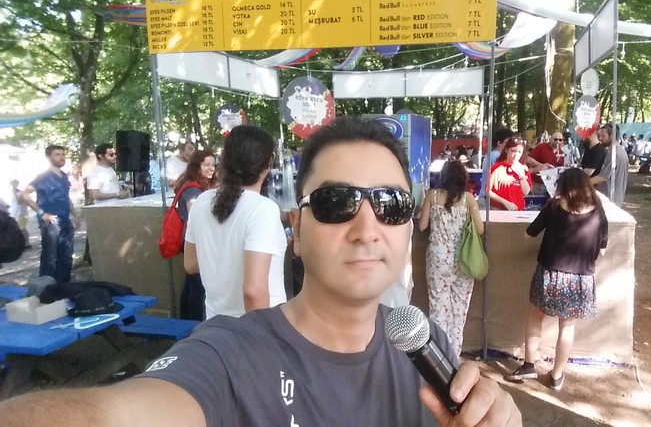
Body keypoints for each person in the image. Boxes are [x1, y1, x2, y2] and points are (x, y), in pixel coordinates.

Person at [0, 117, 522, 426]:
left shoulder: (426, 346)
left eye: (390, 204)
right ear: (297, 229)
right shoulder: (227, 355)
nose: (367, 228)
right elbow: (120, 415)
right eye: (337, 203)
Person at [506, 168, 608, 390]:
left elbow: (528, 233)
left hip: (550, 274)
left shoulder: (553, 206)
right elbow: (602, 250)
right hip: (581, 279)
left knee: (535, 318)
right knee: (567, 327)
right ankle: (556, 376)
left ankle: (529, 365)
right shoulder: (598, 211)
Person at [184, 126, 286, 319]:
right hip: (254, 329)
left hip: (215, 324)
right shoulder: (263, 209)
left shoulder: (202, 201)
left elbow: (191, 264)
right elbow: (254, 292)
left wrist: (222, 257)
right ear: (268, 163)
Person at [418, 160, 484, 357]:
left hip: (437, 260)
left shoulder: (432, 195)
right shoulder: (468, 199)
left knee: (438, 309)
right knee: (458, 311)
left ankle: (439, 356)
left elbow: (422, 226)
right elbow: (480, 229)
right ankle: (454, 356)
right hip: (463, 260)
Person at [18, 145, 81, 283]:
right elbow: (24, 195)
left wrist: (75, 215)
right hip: (51, 223)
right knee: (50, 257)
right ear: (48, 157)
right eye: (57, 154)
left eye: (63, 154)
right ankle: (47, 288)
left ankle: (63, 286)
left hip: (66, 221)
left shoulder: (64, 176)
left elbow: (66, 197)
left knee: (66, 256)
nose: (61, 157)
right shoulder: (43, 177)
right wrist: (42, 214)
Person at [173, 149, 217, 321]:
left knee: (191, 283)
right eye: (206, 165)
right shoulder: (192, 189)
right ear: (196, 166)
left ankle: (186, 322)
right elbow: (195, 216)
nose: (211, 168)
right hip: (195, 241)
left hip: (192, 240)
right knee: (198, 285)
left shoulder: (193, 185)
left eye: (213, 164)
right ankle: (194, 324)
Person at [488, 137, 533, 211]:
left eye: (519, 152)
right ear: (506, 150)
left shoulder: (523, 168)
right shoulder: (497, 167)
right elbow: (488, 190)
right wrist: (505, 202)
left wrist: (521, 176)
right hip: (499, 209)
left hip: (518, 209)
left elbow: (526, 192)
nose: (516, 155)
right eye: (513, 151)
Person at [592, 124, 629, 207]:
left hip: (610, 199)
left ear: (612, 136)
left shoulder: (614, 154)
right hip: (615, 197)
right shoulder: (621, 151)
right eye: (599, 135)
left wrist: (583, 183)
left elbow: (602, 177)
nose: (600, 138)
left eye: (603, 136)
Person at [480, 127, 514, 203]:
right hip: (490, 200)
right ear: (499, 143)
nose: (510, 145)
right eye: (508, 143)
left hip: (485, 197)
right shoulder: (497, 156)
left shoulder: (490, 155)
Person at [9, 179, 32, 248]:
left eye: (15, 183)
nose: (13, 185)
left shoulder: (19, 192)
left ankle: (27, 243)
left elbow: (19, 201)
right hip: (17, 213)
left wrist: (15, 193)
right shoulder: (13, 192)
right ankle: (25, 242)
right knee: (21, 228)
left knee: (22, 228)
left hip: (22, 213)